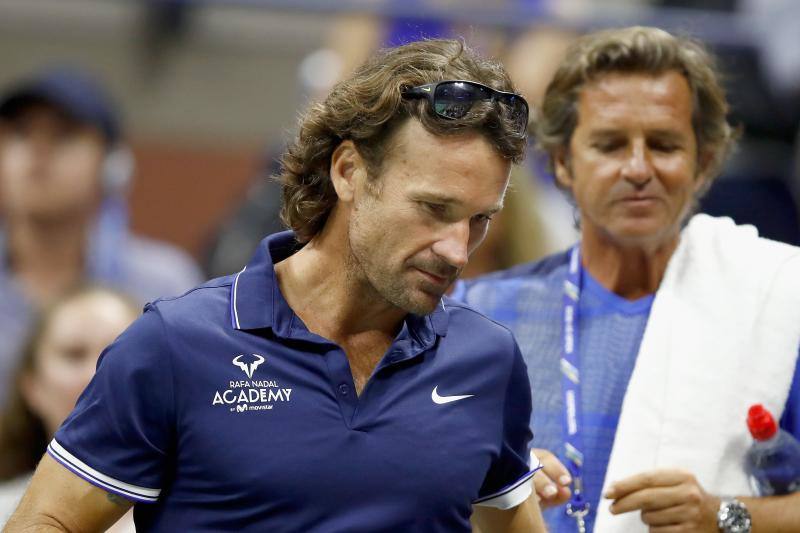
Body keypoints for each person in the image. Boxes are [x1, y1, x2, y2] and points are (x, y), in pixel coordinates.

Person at [5, 40, 546, 532]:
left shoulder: (488, 360)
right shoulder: (173, 344)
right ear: (349, 172)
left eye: (479, 220)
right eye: (433, 208)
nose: (457, 250)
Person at [454, 26, 800, 532]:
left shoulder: (776, 299)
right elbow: (411, 488)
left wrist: (725, 515)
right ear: (564, 164)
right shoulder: (477, 313)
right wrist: (494, 491)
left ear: (703, 163)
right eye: (610, 145)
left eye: (663, 144)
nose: (638, 169)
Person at [0, 67, 204, 402]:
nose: (37, 150)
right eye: (21, 133)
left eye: (63, 135)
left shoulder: (165, 287)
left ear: (112, 166)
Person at [0, 286, 139, 531]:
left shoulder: (209, 508)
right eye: (74, 355)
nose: (96, 373)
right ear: (32, 386)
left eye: (119, 353)